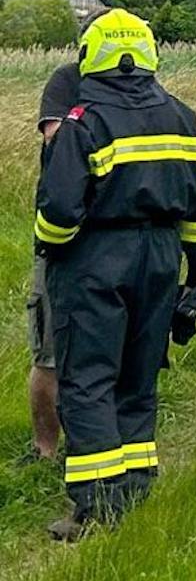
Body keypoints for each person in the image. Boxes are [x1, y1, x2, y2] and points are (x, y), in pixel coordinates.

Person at [34, 10, 196, 540]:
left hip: (94, 259)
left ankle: (94, 508)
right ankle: (133, 495)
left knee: (88, 382)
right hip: (162, 258)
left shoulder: (84, 121)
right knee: (136, 380)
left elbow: (58, 214)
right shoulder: (183, 116)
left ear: (92, 55)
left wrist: (52, 252)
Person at [23, 62, 81, 463]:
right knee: (50, 355)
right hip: (60, 239)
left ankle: (100, 451)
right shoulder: (67, 80)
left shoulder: (142, 86)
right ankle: (44, 450)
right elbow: (55, 140)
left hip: (119, 242)